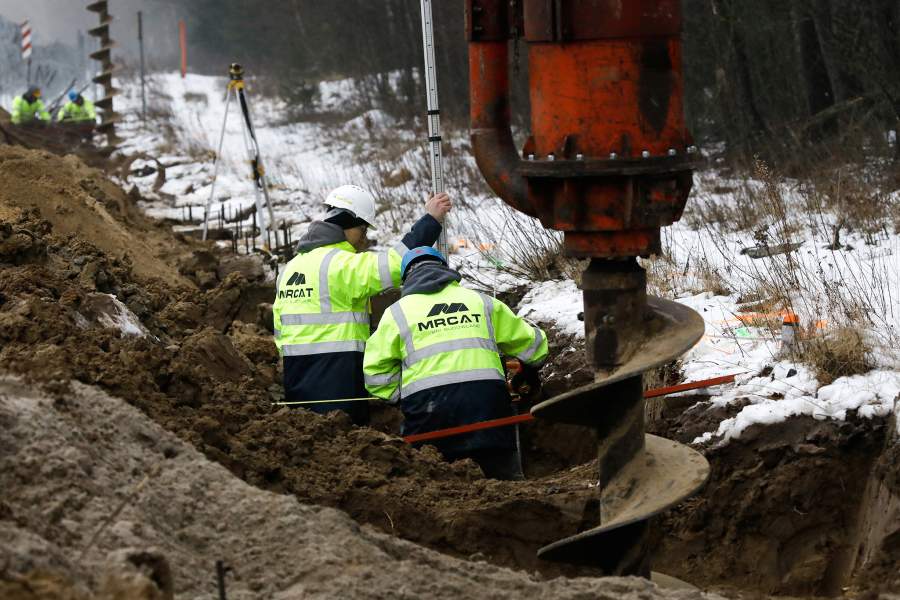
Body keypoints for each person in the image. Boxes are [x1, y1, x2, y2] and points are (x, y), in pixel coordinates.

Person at [363, 246, 548, 480]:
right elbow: (535, 348)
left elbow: (375, 375)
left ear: (406, 278)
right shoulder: (481, 302)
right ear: (445, 269)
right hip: (486, 405)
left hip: (428, 412)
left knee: (433, 483)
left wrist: (398, 396)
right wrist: (528, 372)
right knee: (502, 478)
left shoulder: (396, 314)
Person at [273, 185, 451, 426]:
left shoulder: (289, 270)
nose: (364, 236)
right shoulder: (341, 266)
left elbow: (279, 331)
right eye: (363, 228)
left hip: (296, 382)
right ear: (350, 223)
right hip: (338, 381)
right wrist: (430, 220)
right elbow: (397, 263)